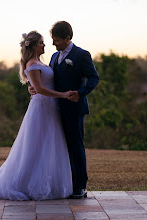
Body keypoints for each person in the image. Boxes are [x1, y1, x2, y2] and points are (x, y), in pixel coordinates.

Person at [0, 31, 73, 200]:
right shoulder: (32, 64)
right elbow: (40, 89)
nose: (44, 45)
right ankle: (23, 183)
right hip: (41, 108)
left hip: (51, 108)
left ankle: (51, 184)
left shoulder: (41, 62)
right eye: (41, 42)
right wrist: (63, 95)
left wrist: (34, 88)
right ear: (33, 45)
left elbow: (38, 86)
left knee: (49, 145)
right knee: (34, 147)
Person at [29, 21, 99, 199]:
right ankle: (64, 184)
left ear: (68, 38)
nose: (53, 44)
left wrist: (80, 93)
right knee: (60, 148)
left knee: (76, 147)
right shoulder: (54, 57)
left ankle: (80, 186)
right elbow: (47, 80)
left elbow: (94, 78)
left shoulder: (82, 55)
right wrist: (33, 88)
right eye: (52, 40)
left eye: (57, 40)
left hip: (74, 109)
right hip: (54, 109)